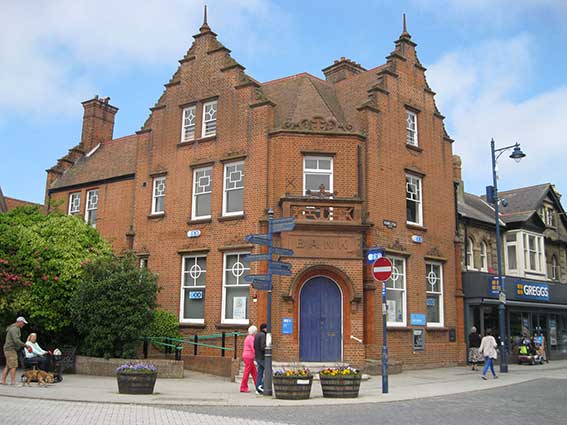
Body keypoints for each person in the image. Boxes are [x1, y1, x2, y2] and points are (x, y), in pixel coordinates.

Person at [1, 316, 28, 385]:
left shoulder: (16, 328)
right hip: (10, 349)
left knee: (8, 365)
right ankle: (13, 381)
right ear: (19, 322)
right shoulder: (14, 329)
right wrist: (25, 345)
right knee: (13, 365)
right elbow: (16, 340)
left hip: (9, 349)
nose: (24, 324)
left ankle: (2, 380)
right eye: (23, 323)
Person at [240, 325, 258, 393]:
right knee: (247, 372)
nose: (256, 333)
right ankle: (243, 387)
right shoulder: (251, 338)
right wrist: (257, 354)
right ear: (254, 332)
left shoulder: (248, 337)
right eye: (256, 331)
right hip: (249, 357)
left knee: (254, 372)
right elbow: (253, 347)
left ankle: (258, 385)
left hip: (247, 356)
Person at [254, 323, 267, 394]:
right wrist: (268, 349)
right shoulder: (262, 335)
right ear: (264, 328)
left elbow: (254, 345)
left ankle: (258, 388)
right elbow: (262, 346)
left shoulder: (257, 335)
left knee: (260, 373)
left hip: (257, 356)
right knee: (269, 372)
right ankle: (262, 386)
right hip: (262, 357)